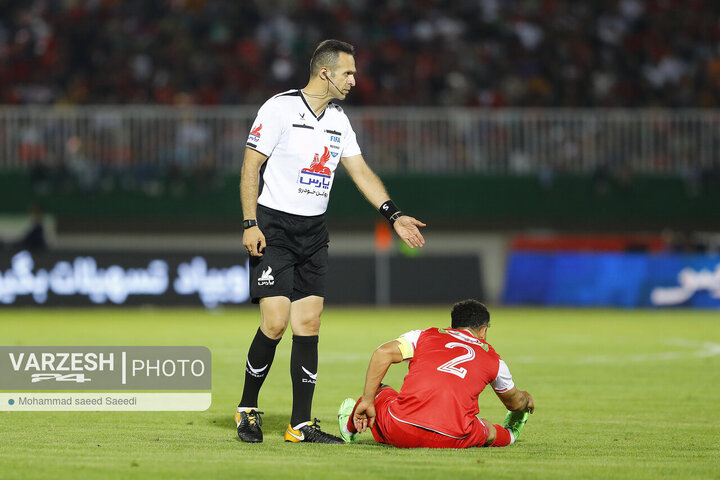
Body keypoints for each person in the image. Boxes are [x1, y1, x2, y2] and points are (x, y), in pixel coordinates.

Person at [235, 39, 426, 444]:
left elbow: (360, 171)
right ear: (325, 73)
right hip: (274, 228)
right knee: (275, 322)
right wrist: (250, 222)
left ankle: (299, 424)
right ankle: (247, 410)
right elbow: (252, 164)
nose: (354, 80)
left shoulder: (339, 119)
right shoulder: (279, 108)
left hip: (314, 231)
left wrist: (393, 215)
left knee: (309, 324)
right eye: (348, 73)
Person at [337, 299, 534, 448]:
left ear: (452, 325)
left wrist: (368, 400)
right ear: (483, 331)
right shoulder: (493, 358)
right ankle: (510, 434)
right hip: (453, 437)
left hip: (401, 429)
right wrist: (525, 399)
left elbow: (382, 353)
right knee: (487, 429)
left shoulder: (425, 335)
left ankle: (348, 429)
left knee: (380, 391)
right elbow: (514, 403)